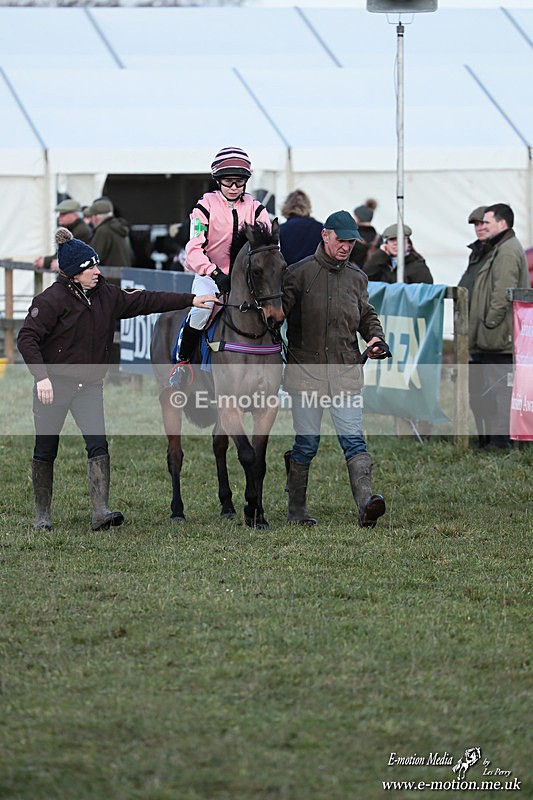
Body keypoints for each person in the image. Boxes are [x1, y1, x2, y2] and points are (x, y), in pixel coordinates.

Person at [17, 227, 217, 532]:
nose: (97, 271)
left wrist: (191, 300)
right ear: (73, 273)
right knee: (46, 448)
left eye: (97, 265)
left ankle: (101, 512)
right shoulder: (51, 300)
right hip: (53, 386)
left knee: (98, 445)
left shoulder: (108, 296)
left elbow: (149, 300)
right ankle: (42, 516)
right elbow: (27, 338)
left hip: (89, 388)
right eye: (90, 268)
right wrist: (41, 378)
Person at [282, 210, 389, 528]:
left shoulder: (358, 277)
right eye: (340, 240)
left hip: (345, 372)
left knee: (354, 441)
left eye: (350, 241)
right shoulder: (297, 274)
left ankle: (366, 505)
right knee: (307, 443)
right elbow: (276, 316)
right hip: (306, 375)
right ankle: (297, 509)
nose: (346, 246)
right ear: (325, 235)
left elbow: (366, 314)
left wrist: (375, 336)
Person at [171, 146, 271, 387]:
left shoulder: (257, 209)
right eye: (228, 182)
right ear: (218, 181)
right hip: (210, 274)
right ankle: (182, 363)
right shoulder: (203, 208)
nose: (234, 187)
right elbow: (193, 250)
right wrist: (214, 273)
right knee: (202, 310)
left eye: (239, 182)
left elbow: (268, 246)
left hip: (247, 278)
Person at [465, 203, 529, 449]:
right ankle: (492, 439)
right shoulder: (496, 249)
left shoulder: (507, 251)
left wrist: (488, 323)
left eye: (487, 222)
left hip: (497, 336)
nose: (483, 226)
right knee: (489, 389)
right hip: (489, 334)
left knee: (500, 389)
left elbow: (503, 292)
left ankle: (502, 441)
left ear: (502, 224)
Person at [458, 206, 493, 446]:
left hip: (489, 334)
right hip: (473, 332)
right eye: (476, 225)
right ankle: (483, 437)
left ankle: (494, 441)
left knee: (491, 392)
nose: (479, 228)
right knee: (476, 394)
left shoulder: (498, 253)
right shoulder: (477, 253)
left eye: (483, 224)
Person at [33, 199, 92, 272]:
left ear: (74, 215)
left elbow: (68, 255)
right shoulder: (72, 229)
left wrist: (45, 262)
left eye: (63, 214)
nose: (59, 217)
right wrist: (44, 260)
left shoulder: (81, 231)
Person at [363, 223, 433, 284]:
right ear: (386, 244)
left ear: (408, 245)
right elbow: (365, 278)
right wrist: (380, 254)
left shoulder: (418, 267)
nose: (396, 243)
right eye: (392, 239)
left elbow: (426, 294)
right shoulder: (382, 264)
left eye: (400, 239)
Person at [279, 189, 323, 265]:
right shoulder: (320, 228)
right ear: (308, 205)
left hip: (288, 275)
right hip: (314, 274)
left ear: (287, 206)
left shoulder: (280, 230)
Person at [87, 197, 133, 267]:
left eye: (91, 216)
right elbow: (132, 256)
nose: (90, 220)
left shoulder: (103, 230)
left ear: (96, 216)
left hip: (109, 275)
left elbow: (94, 258)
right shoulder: (120, 228)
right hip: (122, 274)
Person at [350, 198, 381, 268]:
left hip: (353, 274)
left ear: (358, 218)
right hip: (371, 274)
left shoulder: (350, 236)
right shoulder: (378, 237)